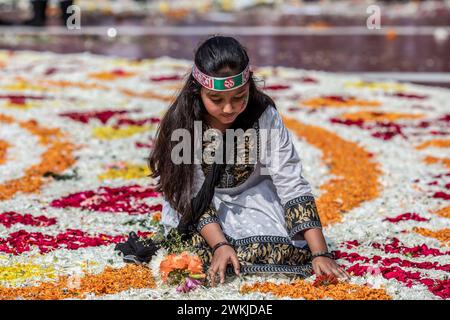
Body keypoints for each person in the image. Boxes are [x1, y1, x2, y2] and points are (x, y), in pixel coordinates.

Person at [149, 35, 350, 287]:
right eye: (217, 99)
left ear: (249, 86)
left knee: (285, 251)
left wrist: (321, 253)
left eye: (239, 97)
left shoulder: (264, 115)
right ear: (197, 91)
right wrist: (220, 245)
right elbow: (191, 192)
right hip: (199, 204)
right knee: (198, 256)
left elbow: (290, 181)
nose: (228, 109)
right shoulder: (183, 123)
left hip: (254, 196)